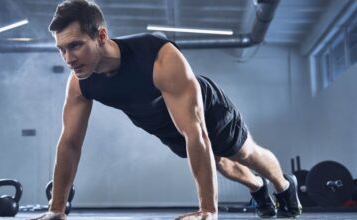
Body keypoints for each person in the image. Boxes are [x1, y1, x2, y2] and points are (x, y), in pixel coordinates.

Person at [31, 0, 302, 219]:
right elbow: (69, 144)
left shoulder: (158, 56)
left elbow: (197, 135)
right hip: (163, 125)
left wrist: (208, 211)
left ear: (101, 36)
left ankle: (283, 185)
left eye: (75, 46)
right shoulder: (80, 83)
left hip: (206, 109)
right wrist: (57, 208)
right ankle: (257, 187)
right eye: (61, 49)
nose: (68, 59)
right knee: (218, 163)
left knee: (243, 153)